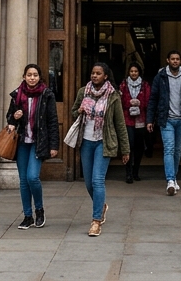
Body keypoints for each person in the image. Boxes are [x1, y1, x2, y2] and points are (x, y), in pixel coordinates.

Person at [71, 63, 129, 237]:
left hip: (103, 142)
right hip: (86, 142)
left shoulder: (113, 96)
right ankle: (101, 205)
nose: (94, 76)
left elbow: (120, 123)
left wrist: (125, 149)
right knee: (89, 183)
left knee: (97, 181)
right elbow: (74, 112)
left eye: (98, 73)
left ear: (105, 76)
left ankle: (96, 221)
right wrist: (79, 110)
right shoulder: (83, 92)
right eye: (92, 73)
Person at [6, 63, 59, 229]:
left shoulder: (46, 94)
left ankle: (39, 209)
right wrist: (14, 117)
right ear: (24, 77)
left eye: (35, 75)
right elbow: (9, 118)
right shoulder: (17, 95)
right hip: (22, 142)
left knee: (32, 177)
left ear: (39, 77)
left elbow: (52, 122)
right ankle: (27, 216)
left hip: (38, 142)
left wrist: (54, 145)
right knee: (23, 180)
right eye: (29, 75)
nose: (32, 78)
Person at [146, 50, 181, 196]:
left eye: (178, 59)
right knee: (169, 149)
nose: (175, 61)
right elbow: (153, 99)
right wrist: (150, 119)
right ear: (167, 60)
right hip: (166, 120)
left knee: (177, 151)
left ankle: (174, 177)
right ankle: (170, 180)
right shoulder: (161, 77)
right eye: (173, 59)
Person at [119, 64, 150, 184]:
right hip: (127, 119)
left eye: (135, 71)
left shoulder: (145, 85)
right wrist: (129, 103)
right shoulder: (123, 85)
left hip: (141, 119)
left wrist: (139, 103)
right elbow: (120, 101)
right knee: (129, 145)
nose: (133, 73)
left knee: (139, 147)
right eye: (131, 71)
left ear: (139, 72)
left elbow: (148, 100)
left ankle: (136, 171)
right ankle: (128, 172)